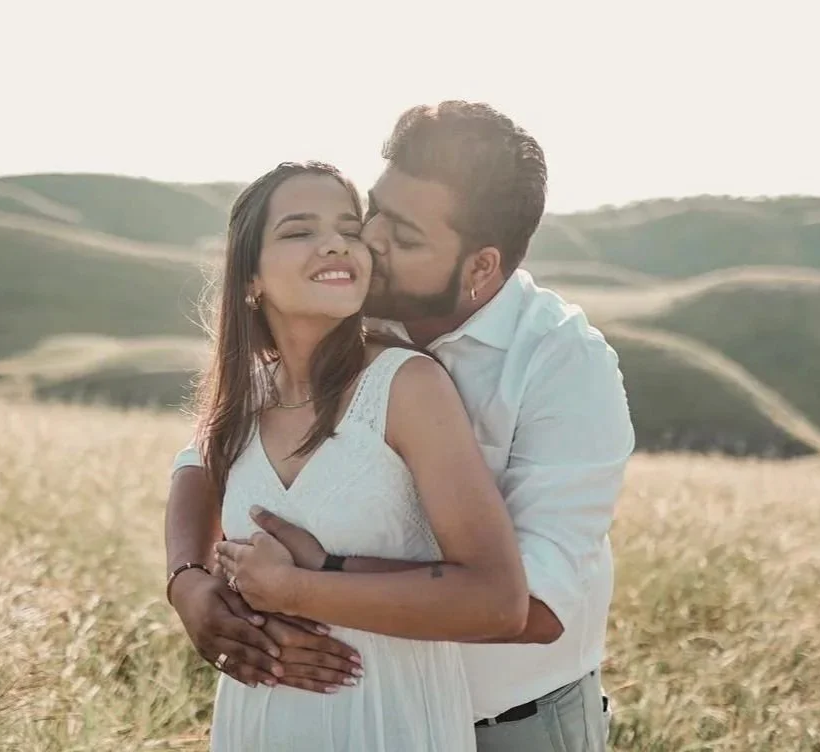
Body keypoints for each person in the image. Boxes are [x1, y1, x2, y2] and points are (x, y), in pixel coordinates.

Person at [169, 101, 635, 751]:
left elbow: (531, 605)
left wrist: (304, 584)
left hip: (513, 722)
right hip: (333, 711)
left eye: (407, 237)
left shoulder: (563, 363)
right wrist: (188, 583)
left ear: (480, 267)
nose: (372, 242)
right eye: (376, 211)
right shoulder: (340, 313)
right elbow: (207, 454)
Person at [165, 159, 529, 751]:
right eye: (299, 230)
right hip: (256, 728)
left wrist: (293, 590)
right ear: (250, 278)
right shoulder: (246, 395)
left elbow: (498, 602)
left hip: (388, 725)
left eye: (349, 229)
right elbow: (193, 467)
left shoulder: (406, 386)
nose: (335, 243)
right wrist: (186, 584)